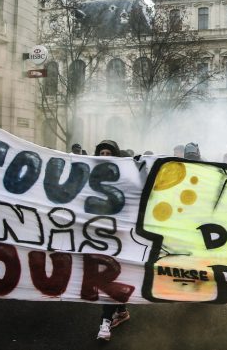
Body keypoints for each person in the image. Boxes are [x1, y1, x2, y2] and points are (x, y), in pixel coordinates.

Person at [93, 140, 130, 340]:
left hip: (120, 235)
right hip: (100, 236)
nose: (105, 155)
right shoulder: (89, 177)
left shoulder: (124, 179)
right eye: (102, 152)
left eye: (109, 152)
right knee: (110, 275)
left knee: (112, 275)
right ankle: (120, 311)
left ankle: (106, 321)